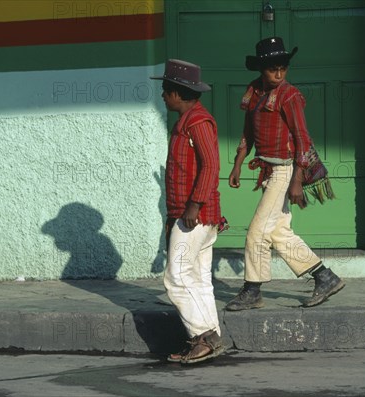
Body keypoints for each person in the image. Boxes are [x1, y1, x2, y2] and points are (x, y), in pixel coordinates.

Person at [225, 37, 345, 311]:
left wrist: (297, 180)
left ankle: (252, 290)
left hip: (286, 170)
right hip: (268, 169)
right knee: (278, 232)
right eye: (272, 69)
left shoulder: (290, 96)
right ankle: (325, 277)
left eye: (283, 68)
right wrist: (237, 163)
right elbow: (247, 132)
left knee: (256, 232)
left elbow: (302, 139)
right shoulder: (254, 92)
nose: (279, 74)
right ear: (261, 69)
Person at [150, 59, 225, 364]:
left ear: (178, 93)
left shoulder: (198, 122)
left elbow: (211, 165)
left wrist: (193, 205)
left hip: (196, 215)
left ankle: (203, 337)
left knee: (176, 278)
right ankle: (210, 337)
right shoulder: (186, 123)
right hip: (188, 216)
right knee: (197, 278)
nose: (163, 97)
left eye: (165, 91)